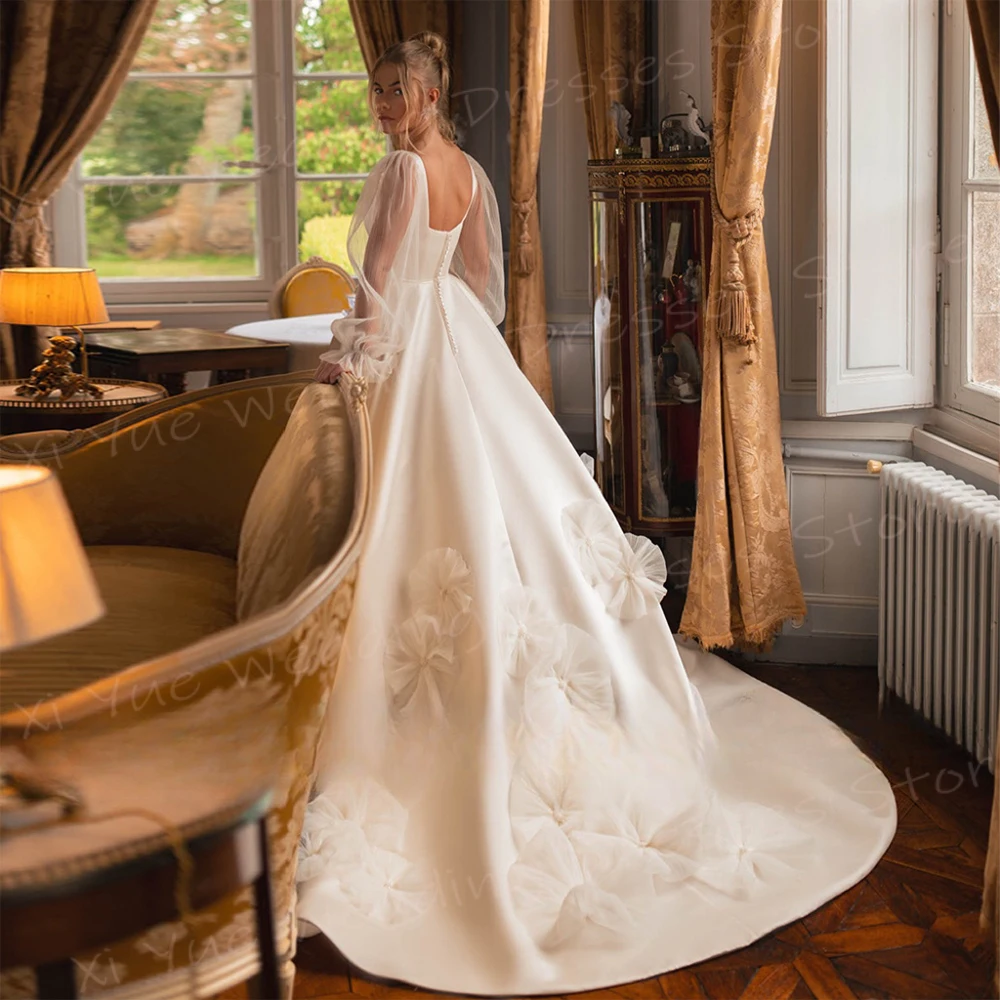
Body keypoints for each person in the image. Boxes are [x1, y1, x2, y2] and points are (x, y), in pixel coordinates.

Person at [300, 31, 896, 996]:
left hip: (415, 353)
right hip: (459, 347)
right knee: (505, 525)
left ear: (430, 89)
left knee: (411, 520)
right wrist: (434, 326)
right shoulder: (467, 169)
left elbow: (374, 286)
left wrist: (352, 363)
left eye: (394, 89)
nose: (382, 106)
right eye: (376, 92)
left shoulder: (407, 170)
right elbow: (482, 291)